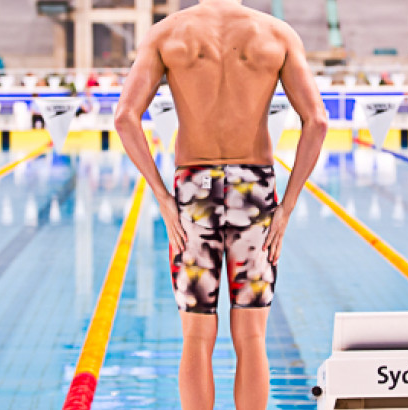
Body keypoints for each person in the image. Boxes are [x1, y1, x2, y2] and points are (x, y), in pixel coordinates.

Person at [113, 0, 328, 408]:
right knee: (252, 335)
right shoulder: (277, 34)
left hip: (193, 193)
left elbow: (125, 116)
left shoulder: (167, 33)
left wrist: (162, 196)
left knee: (195, 336)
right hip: (256, 192)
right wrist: (287, 204)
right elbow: (316, 120)